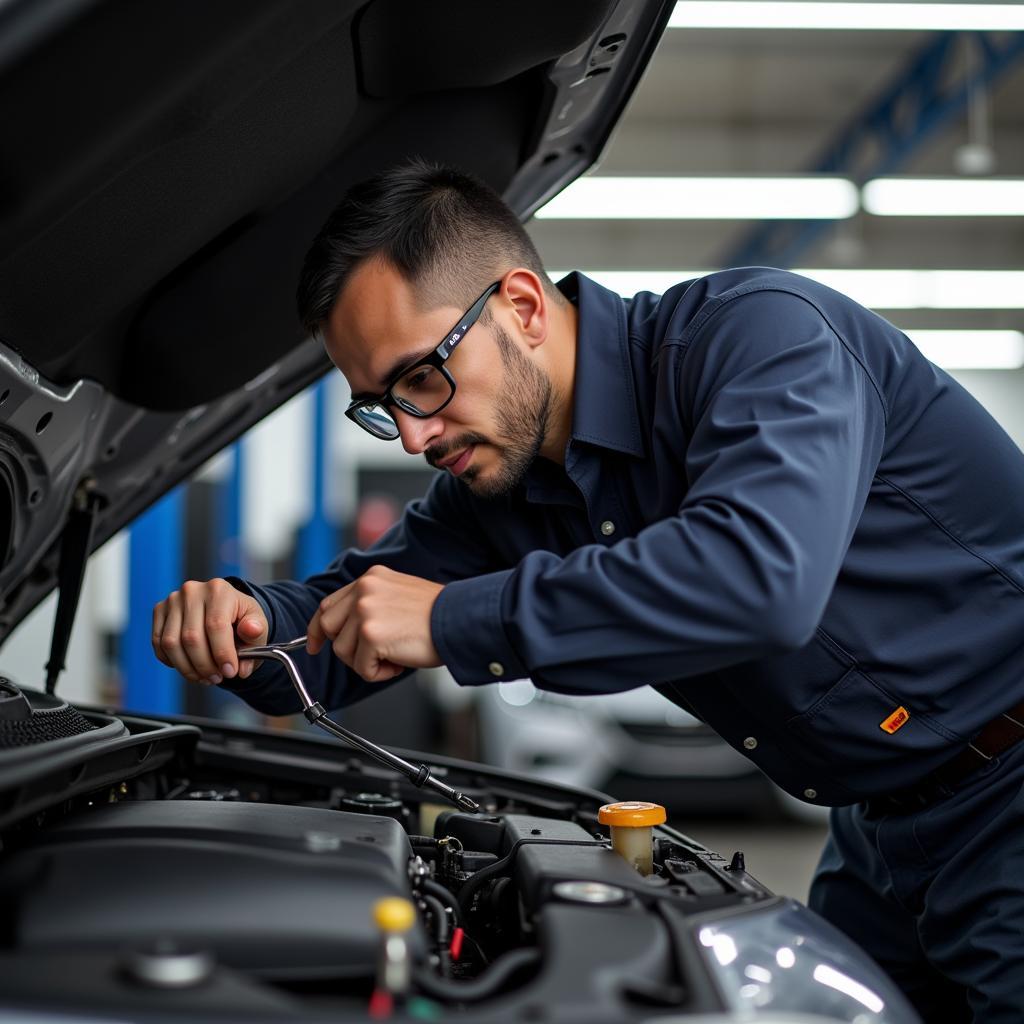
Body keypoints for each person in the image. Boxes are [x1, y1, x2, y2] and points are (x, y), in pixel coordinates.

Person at [152, 159, 1024, 1022]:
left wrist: (454, 619)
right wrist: (247, 623)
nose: (414, 435)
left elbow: (758, 577)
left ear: (523, 307)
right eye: (381, 404)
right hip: (880, 829)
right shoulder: (498, 492)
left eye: (423, 377)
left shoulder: (762, 339)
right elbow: (346, 624)